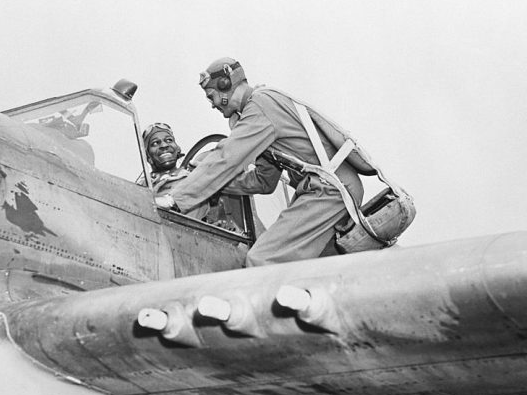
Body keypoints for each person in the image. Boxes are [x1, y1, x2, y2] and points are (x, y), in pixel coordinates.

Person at [156, 57, 375, 267]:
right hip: (327, 189)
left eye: (211, 96)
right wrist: (214, 186)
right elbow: (264, 181)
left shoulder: (260, 107)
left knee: (262, 260)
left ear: (225, 85)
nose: (212, 104)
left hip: (330, 190)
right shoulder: (259, 112)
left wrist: (176, 199)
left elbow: (227, 158)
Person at [142, 122, 210, 221]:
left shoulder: (191, 181)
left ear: (178, 149)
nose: (164, 145)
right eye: (155, 143)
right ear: (147, 156)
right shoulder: (141, 186)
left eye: (169, 140)